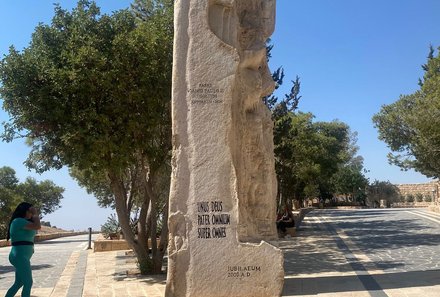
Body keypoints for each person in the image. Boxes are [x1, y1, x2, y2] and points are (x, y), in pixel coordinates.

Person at [5, 202, 41, 297]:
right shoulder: (18, 221)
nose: (31, 213)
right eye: (30, 211)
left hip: (22, 256)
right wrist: (36, 214)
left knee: (19, 283)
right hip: (19, 256)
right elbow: (38, 226)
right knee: (28, 282)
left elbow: (29, 235)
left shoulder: (25, 222)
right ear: (24, 211)